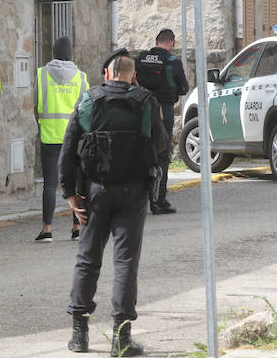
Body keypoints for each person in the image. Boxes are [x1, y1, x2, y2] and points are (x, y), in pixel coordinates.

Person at [59, 49, 166, 356]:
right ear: (132, 75)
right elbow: (159, 145)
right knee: (126, 262)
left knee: (87, 259)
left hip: (94, 193)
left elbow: (68, 149)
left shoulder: (89, 100)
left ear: (107, 73)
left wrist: (69, 194)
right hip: (133, 193)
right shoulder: (146, 102)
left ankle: (79, 336)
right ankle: (121, 338)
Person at [34, 36, 89, 242]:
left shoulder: (41, 75)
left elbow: (36, 103)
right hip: (73, 139)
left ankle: (47, 229)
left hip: (49, 136)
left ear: (54, 52)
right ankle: (77, 227)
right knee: (75, 183)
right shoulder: (81, 77)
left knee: (49, 184)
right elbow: (85, 110)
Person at [135, 28, 189, 215]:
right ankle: (159, 200)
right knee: (162, 154)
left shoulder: (140, 59)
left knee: (141, 153)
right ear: (171, 43)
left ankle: (139, 199)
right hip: (163, 112)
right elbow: (183, 88)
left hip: (141, 109)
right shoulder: (172, 62)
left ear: (156, 41)